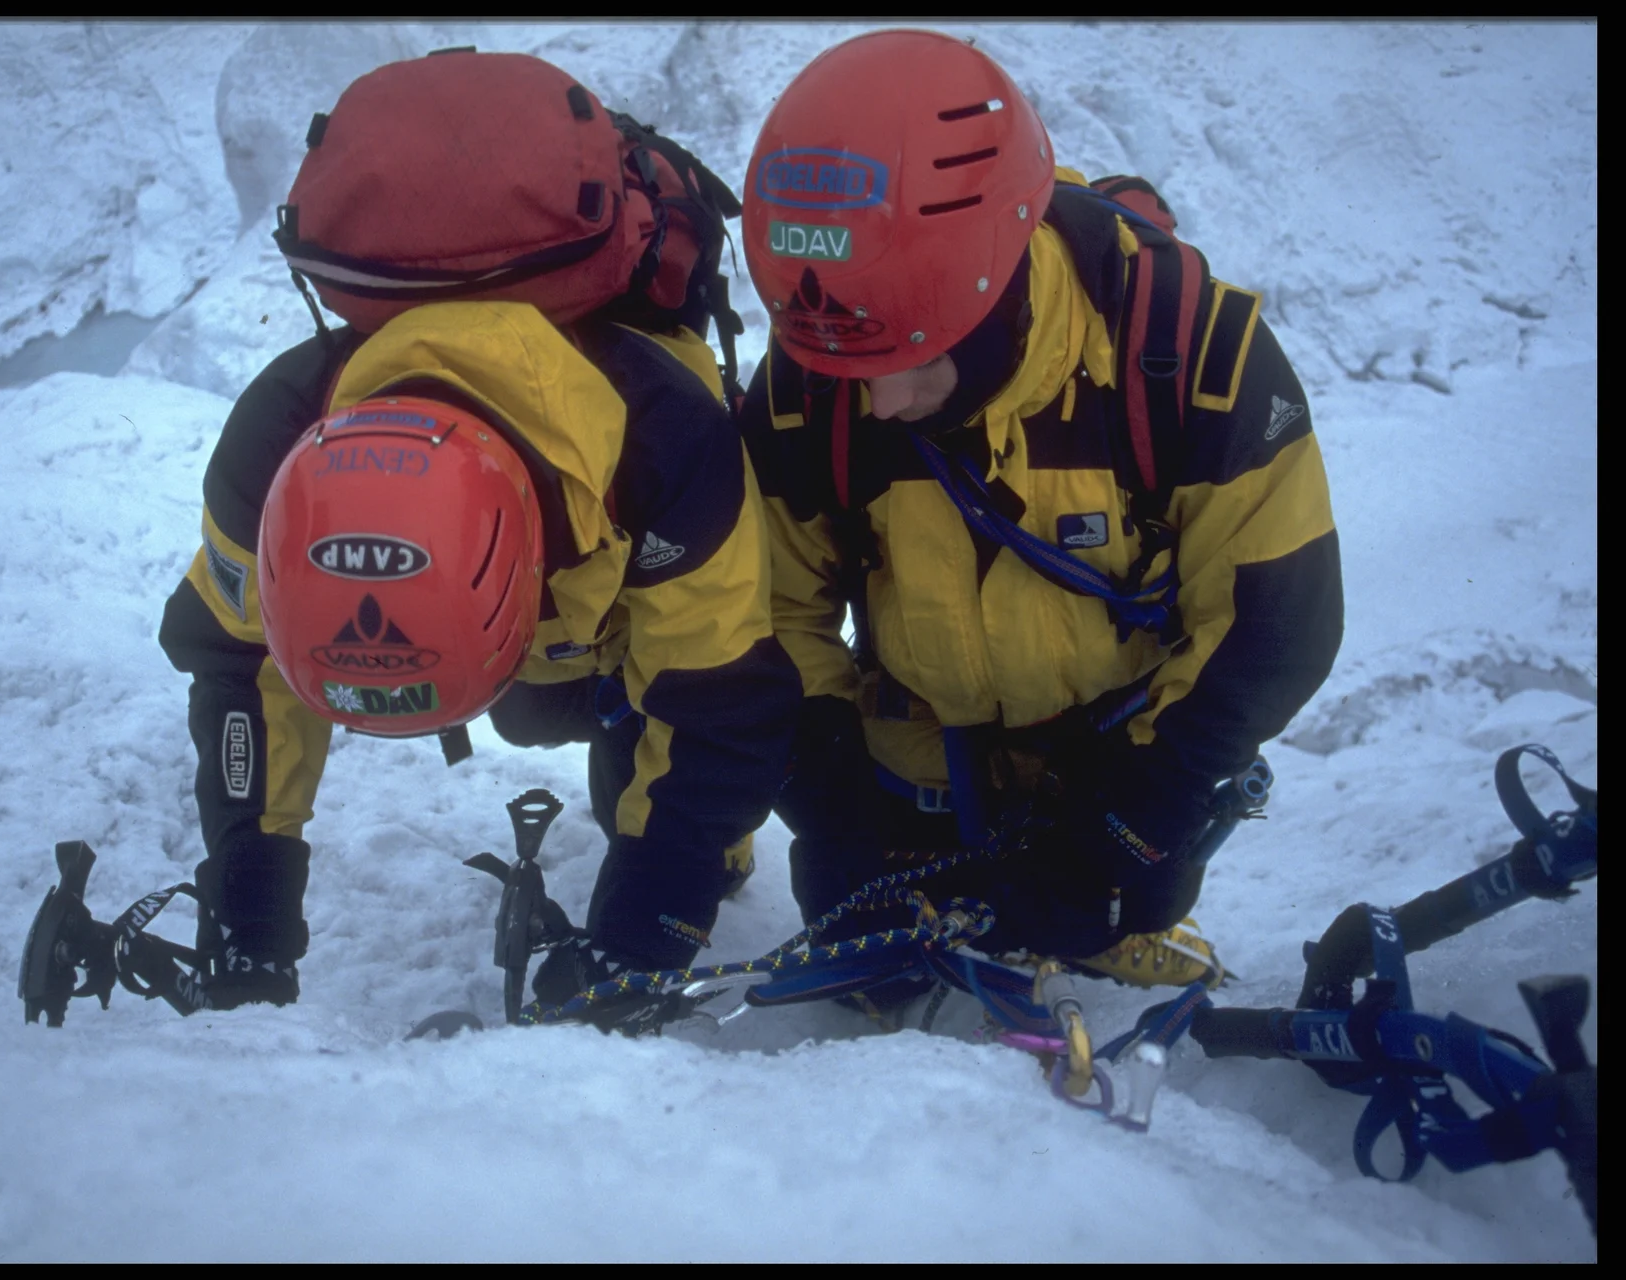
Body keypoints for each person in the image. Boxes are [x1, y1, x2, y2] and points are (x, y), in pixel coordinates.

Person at [158, 50, 801, 1023]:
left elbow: (719, 701)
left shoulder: (668, 441)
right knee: (539, 711)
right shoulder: (274, 442)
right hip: (553, 615)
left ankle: (682, 843)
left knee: (636, 735)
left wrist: (641, 940)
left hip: (615, 607)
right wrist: (247, 922)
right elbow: (240, 664)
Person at [735, 29, 1343, 995]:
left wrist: (1136, 818)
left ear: (991, 297)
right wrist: (832, 794)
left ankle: (1111, 901)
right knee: (859, 926)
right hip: (919, 734)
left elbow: (1278, 621)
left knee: (1123, 895)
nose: (876, 404)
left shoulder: (1193, 359)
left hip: (1113, 745)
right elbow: (772, 608)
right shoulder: (821, 372)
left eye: (910, 367)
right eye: (847, 372)